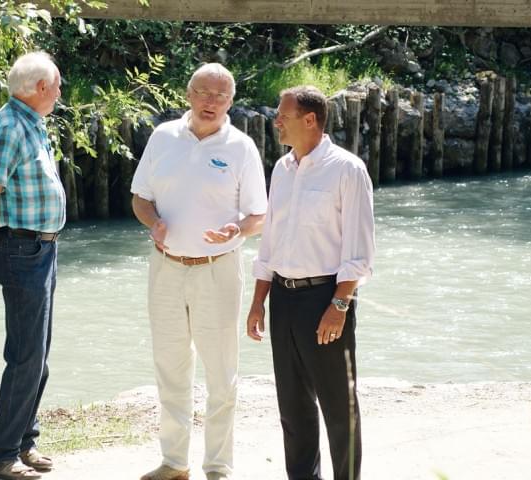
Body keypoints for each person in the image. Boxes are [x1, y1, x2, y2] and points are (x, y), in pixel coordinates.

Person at [131, 63, 268, 480]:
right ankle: (174, 463)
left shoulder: (241, 147)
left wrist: (238, 228)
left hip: (218, 270)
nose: (211, 102)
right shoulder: (162, 137)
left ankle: (218, 467)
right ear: (188, 95)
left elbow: (258, 215)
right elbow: (140, 198)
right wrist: (152, 222)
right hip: (166, 268)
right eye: (204, 93)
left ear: (231, 101)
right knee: (170, 367)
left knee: (221, 373)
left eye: (221, 96)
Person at [246, 85, 375, 480]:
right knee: (293, 408)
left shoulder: (347, 169)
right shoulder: (281, 169)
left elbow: (359, 251)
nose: (276, 121)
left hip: (326, 299)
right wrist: (257, 302)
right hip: (282, 299)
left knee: (339, 408)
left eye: (283, 115)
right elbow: (270, 244)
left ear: (310, 120)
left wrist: (339, 306)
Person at [0, 51, 64, 480]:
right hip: (21, 249)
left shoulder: (32, 122)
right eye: (58, 85)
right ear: (40, 88)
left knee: (39, 355)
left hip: (42, 248)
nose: (61, 92)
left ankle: (24, 441)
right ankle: (1, 455)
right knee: (25, 355)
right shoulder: (8, 126)